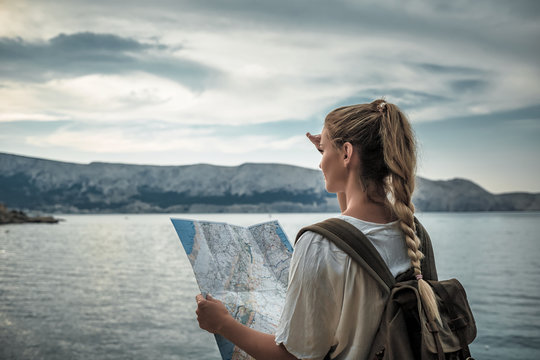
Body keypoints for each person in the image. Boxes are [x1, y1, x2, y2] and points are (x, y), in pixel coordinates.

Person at [194, 99, 439, 360]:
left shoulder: (319, 244)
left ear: (346, 153)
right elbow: (353, 231)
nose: (320, 163)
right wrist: (335, 156)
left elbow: (293, 358)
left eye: (324, 153)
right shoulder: (414, 233)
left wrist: (223, 324)